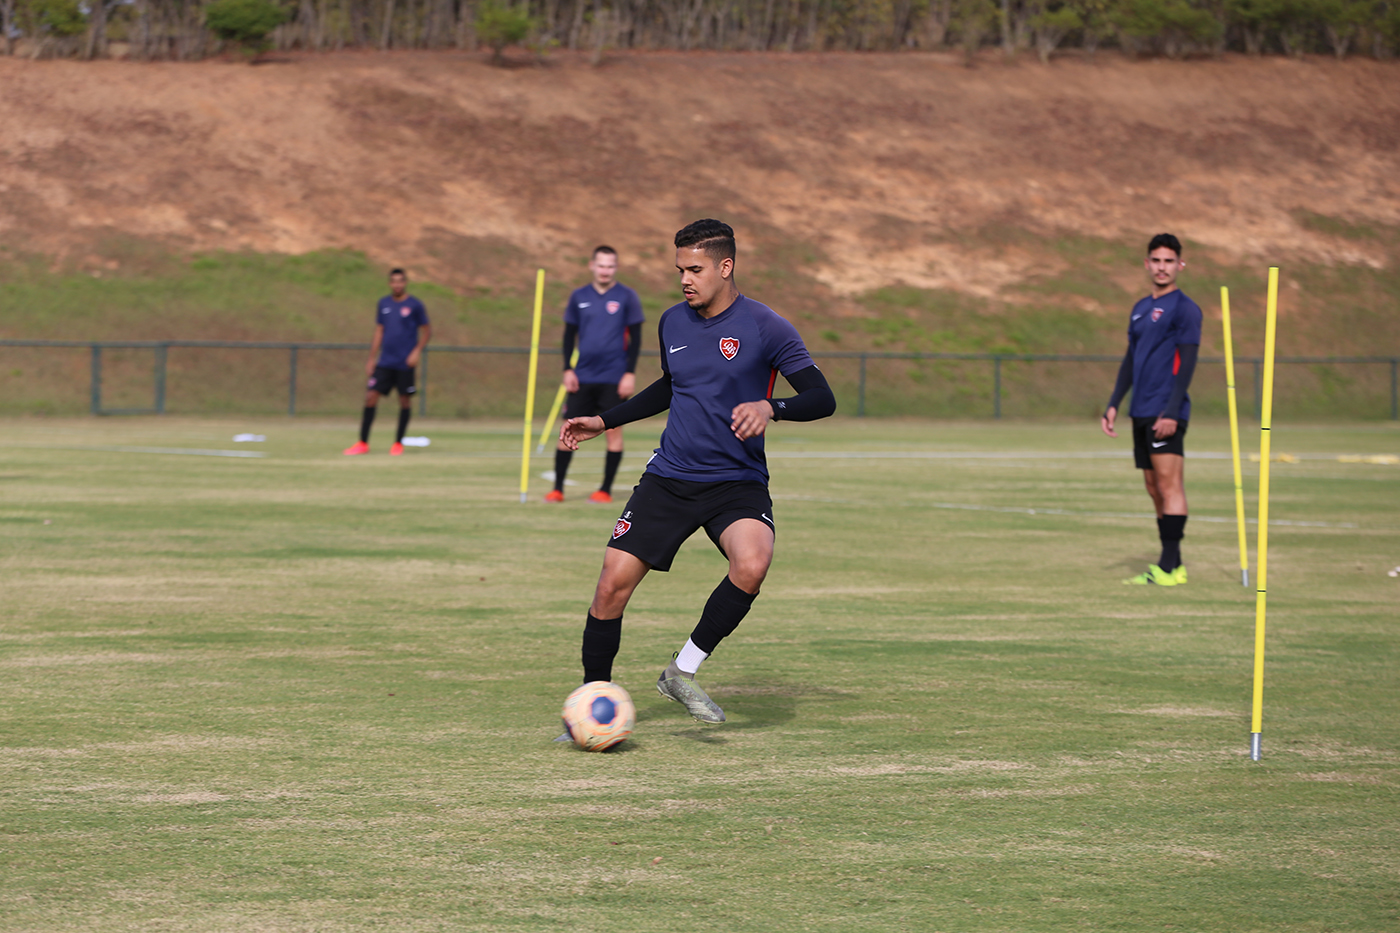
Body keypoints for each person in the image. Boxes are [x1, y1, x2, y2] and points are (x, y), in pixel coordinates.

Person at [558, 219, 837, 726]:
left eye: (696, 269)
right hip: (670, 477)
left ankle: (682, 671)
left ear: (725, 267)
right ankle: (589, 704)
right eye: (680, 269)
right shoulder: (672, 322)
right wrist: (604, 420)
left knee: (753, 563)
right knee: (610, 586)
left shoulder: (766, 325)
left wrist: (772, 407)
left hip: (736, 482)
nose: (685, 279)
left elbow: (822, 398)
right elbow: (670, 386)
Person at [1101, 233, 1202, 586]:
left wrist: (1172, 411)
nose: (1162, 267)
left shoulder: (1185, 309)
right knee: (1153, 487)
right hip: (1141, 409)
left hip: (1166, 410)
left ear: (1180, 265)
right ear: (1147, 264)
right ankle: (1170, 565)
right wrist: (1114, 402)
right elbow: (1131, 359)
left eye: (1168, 261)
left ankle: (1170, 567)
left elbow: (1188, 363)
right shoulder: (1140, 308)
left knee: (1169, 484)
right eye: (1156, 260)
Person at [547, 246, 645, 504]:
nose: (605, 270)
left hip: (614, 377)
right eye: (601, 265)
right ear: (592, 265)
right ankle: (557, 489)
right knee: (567, 429)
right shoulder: (579, 296)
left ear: (616, 267)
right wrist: (568, 368)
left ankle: (604, 490)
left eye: (610, 266)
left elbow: (636, 340)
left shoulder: (627, 296)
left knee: (613, 432)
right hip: (583, 377)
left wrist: (629, 374)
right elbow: (569, 336)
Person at [343, 268, 431, 457]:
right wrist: (372, 358)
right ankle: (363, 443)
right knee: (370, 396)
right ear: (390, 283)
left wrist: (416, 352)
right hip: (385, 362)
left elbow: (427, 330)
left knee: (404, 400)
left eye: (400, 281)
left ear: (405, 282)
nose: (397, 284)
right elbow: (379, 331)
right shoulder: (383, 304)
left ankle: (398, 443)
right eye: (394, 281)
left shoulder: (415, 305)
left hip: (404, 363)